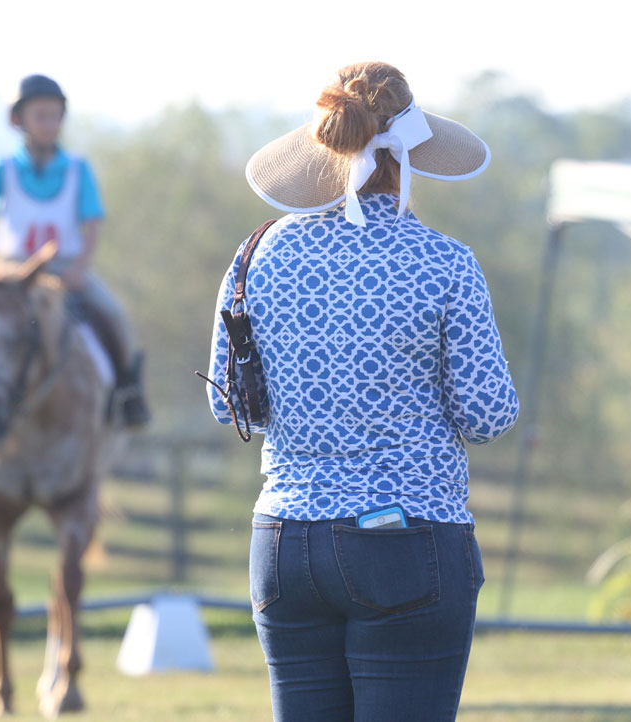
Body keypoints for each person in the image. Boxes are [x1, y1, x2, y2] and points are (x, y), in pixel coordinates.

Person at [205, 62, 520, 721]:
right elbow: (488, 414)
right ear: (409, 155)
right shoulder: (444, 261)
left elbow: (227, 403)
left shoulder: (255, 253)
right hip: (407, 541)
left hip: (285, 542)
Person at [0, 74, 150, 427]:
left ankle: (129, 395)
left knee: (114, 315)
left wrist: (81, 266)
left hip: (63, 268)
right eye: (41, 116)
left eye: (55, 116)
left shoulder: (77, 169)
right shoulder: (2, 169)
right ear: (18, 120)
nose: (50, 124)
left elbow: (92, 226)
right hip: (9, 271)